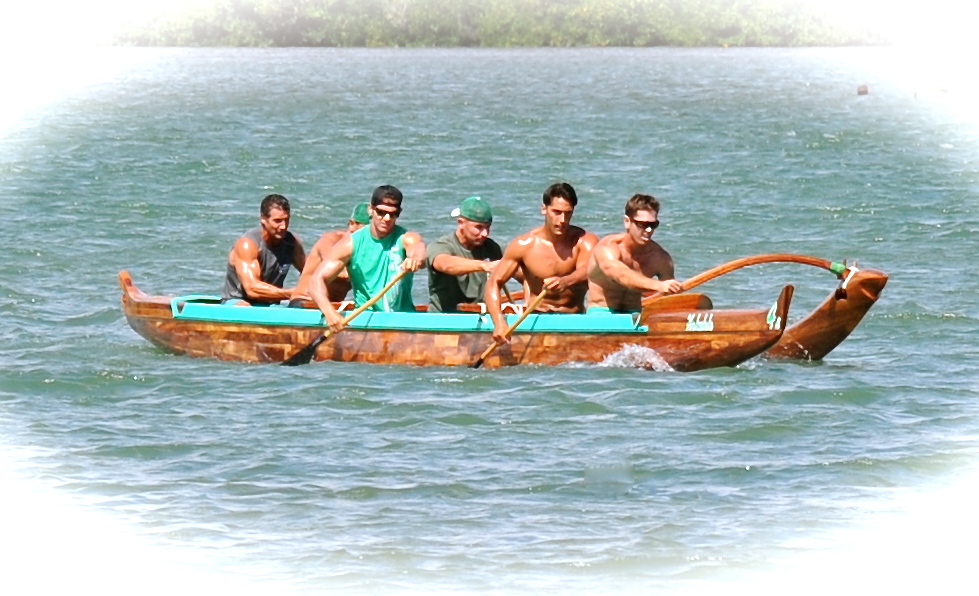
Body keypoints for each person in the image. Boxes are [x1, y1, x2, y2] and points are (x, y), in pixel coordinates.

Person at [483, 182, 598, 344]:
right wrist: (499, 323)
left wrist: (565, 281)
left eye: (568, 213)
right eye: (556, 212)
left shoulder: (585, 241)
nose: (562, 220)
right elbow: (494, 283)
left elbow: (589, 270)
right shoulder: (524, 245)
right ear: (544, 209)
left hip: (574, 317)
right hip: (536, 317)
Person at [309, 185, 426, 333]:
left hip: (402, 320)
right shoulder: (351, 244)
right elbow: (316, 281)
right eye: (381, 212)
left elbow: (419, 249)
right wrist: (329, 312)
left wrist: (415, 258)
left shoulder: (406, 238)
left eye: (393, 214)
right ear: (371, 210)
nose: (387, 218)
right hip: (367, 320)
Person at [586, 193, 682, 313]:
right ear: (627, 222)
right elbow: (622, 275)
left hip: (635, 314)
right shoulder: (608, 249)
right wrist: (659, 286)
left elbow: (670, 300)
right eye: (642, 224)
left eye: (653, 225)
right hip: (602, 313)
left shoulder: (660, 258)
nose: (648, 230)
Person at [222, 193, 306, 306]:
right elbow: (252, 289)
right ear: (263, 219)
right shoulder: (247, 244)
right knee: (245, 307)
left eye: (286, 220)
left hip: (271, 304)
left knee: (304, 304)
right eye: (277, 221)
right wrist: (292, 293)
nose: (283, 226)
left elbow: (311, 273)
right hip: (239, 301)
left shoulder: (292, 242)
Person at [426, 196, 503, 313]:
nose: (485, 234)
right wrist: (484, 266)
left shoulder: (491, 247)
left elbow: (518, 267)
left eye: (488, 227)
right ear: (461, 223)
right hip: (442, 319)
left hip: (478, 318)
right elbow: (445, 264)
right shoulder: (441, 245)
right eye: (479, 227)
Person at [289, 203, 370, 306]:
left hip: (333, 306)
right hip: (304, 302)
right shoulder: (330, 240)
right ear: (352, 224)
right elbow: (341, 273)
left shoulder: (365, 250)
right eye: (368, 230)